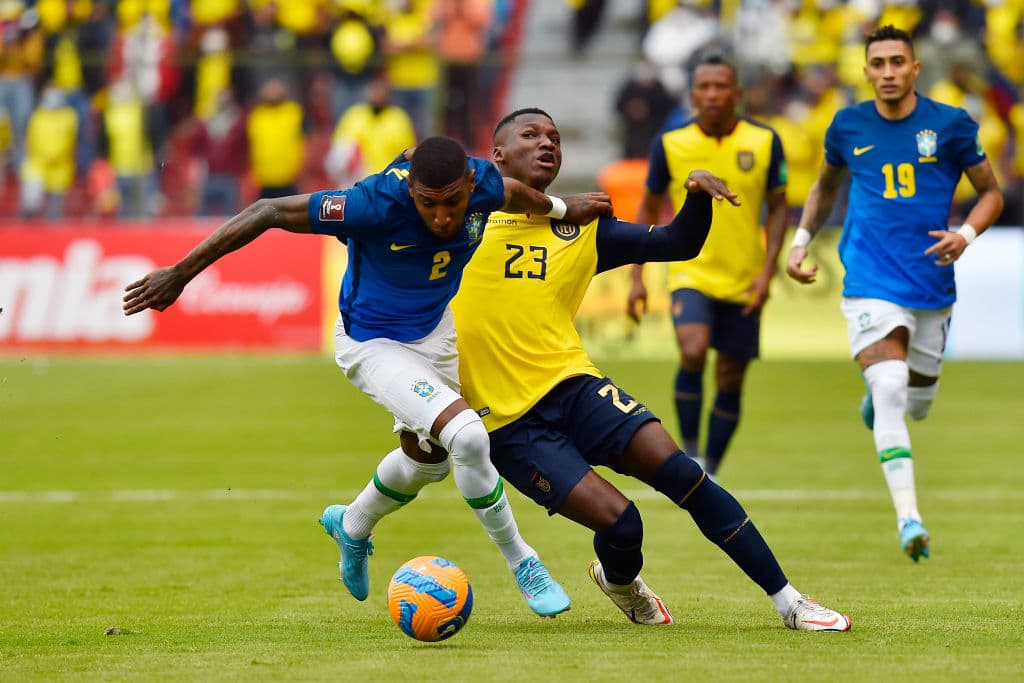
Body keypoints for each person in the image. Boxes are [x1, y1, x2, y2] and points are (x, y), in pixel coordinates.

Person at [346, 107, 851, 631]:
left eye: (556, 137)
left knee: (684, 474)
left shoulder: (581, 226)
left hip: (575, 385)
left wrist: (697, 198)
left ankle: (791, 602)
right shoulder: (454, 218)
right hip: (507, 425)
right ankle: (621, 581)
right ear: (494, 156)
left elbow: (678, 242)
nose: (547, 143)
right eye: (531, 135)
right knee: (623, 524)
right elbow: (389, 197)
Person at [122, 135, 613, 616]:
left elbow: (515, 193)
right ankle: (523, 561)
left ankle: (353, 525)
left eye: (453, 203)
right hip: (372, 343)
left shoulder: (484, 181)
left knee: (430, 460)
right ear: (411, 193)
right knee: (467, 436)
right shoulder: (371, 205)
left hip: (435, 333)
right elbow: (266, 211)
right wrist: (181, 273)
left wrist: (563, 209)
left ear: (469, 184)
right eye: (428, 204)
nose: (443, 217)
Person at [786, 25, 1004, 562]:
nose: (887, 72)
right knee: (889, 386)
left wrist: (965, 235)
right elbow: (825, 187)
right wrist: (800, 241)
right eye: (877, 63)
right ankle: (909, 518)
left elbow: (992, 194)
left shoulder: (950, 126)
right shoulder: (846, 125)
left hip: (930, 281)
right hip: (869, 278)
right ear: (865, 70)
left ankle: (882, 400)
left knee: (918, 402)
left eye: (896, 62)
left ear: (914, 69)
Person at [628, 54, 789, 478]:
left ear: (737, 93)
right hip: (690, 271)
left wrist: (767, 271)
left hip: (743, 277)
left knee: (732, 376)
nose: (713, 94)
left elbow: (777, 209)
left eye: (722, 87)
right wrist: (637, 275)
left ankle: (712, 468)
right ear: (693, 94)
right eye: (705, 87)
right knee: (694, 349)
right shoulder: (670, 143)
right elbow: (648, 205)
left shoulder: (765, 140)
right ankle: (691, 455)